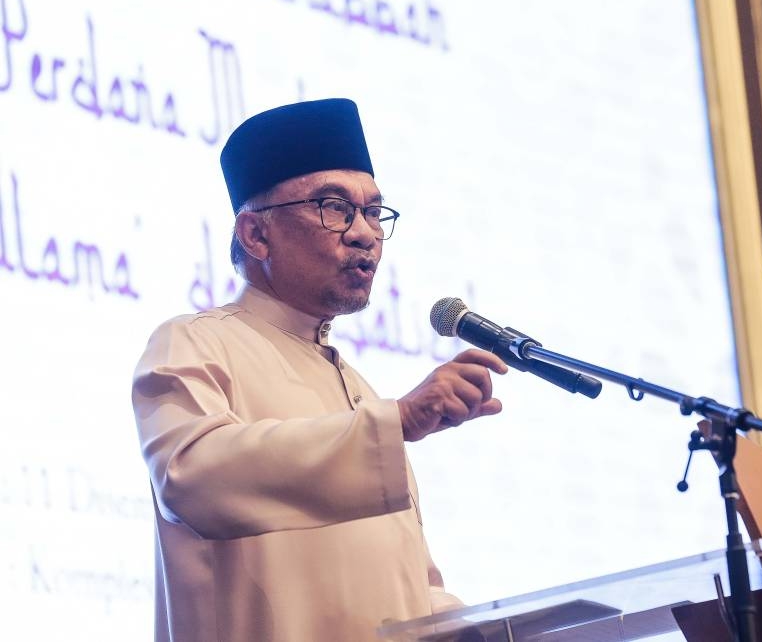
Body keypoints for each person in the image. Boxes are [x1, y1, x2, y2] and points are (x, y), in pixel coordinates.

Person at [132, 98, 508, 641]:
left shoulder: (359, 389)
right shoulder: (194, 343)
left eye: (374, 212)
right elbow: (192, 478)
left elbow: (407, 588)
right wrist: (395, 423)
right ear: (256, 235)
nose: (364, 233)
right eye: (334, 207)